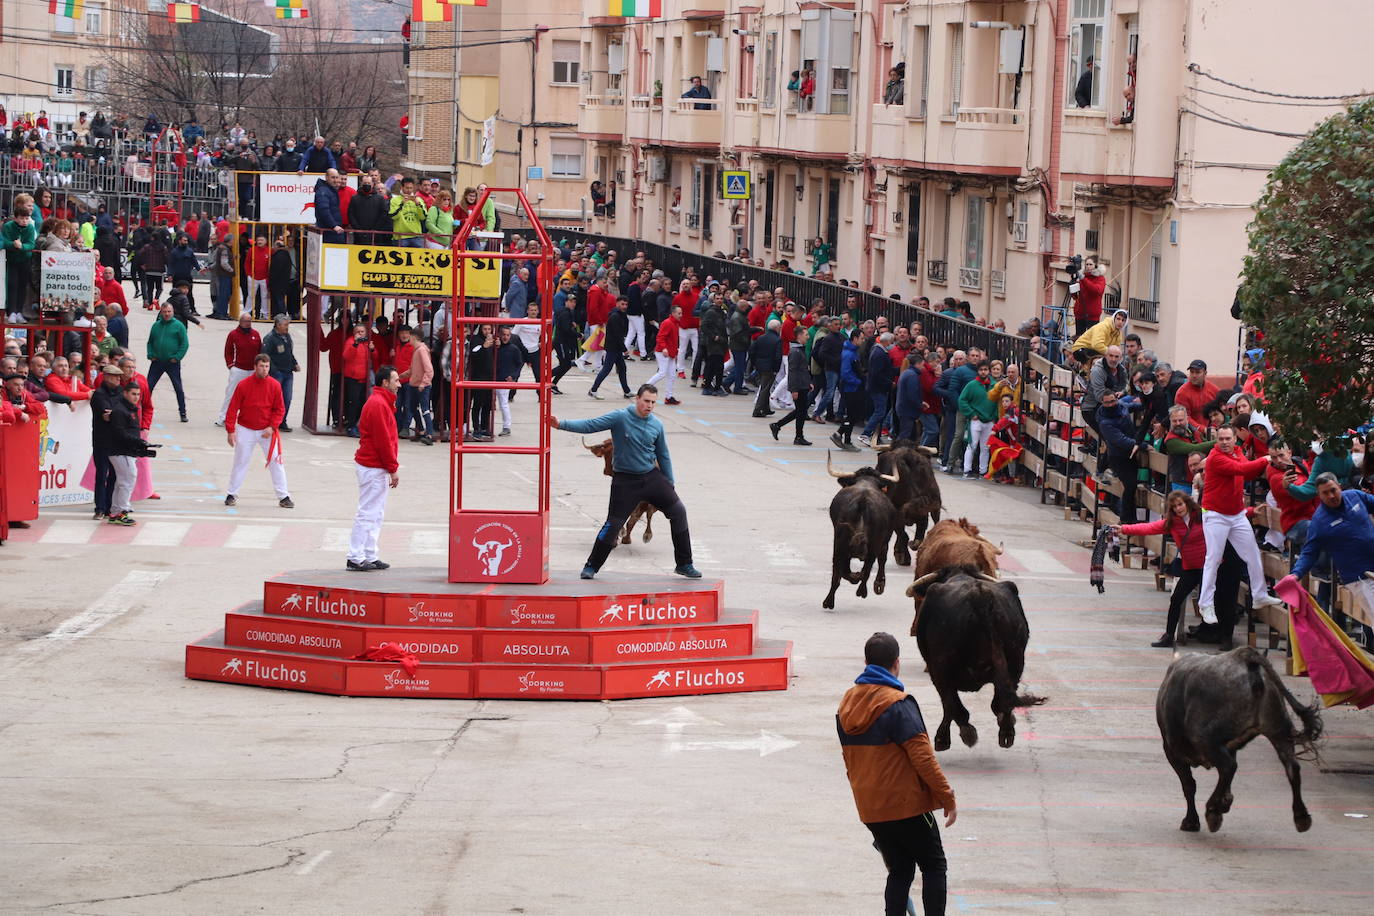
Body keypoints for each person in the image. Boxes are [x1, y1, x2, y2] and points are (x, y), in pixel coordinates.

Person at [837, 631, 956, 916]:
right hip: (907, 806)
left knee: (900, 871)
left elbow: (848, 759)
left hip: (871, 808)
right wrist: (947, 797)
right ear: (897, 663)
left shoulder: (846, 704)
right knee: (933, 864)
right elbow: (924, 758)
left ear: (866, 662)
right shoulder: (898, 704)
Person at [549, 384, 699, 580]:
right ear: (637, 399)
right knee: (613, 525)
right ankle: (592, 566)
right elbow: (591, 424)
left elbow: (663, 454)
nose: (650, 406)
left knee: (679, 511)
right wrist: (561, 424)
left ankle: (685, 564)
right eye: (646, 401)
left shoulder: (657, 425)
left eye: (653, 402)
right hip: (625, 481)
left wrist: (669, 481)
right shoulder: (620, 417)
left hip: (651, 477)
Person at [1198, 426, 1285, 625]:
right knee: (1213, 559)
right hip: (1215, 514)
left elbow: (1247, 472)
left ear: (1235, 438)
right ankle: (1206, 604)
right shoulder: (1215, 458)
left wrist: (1264, 461)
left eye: (1228, 438)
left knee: (1252, 553)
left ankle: (1260, 595)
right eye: (1221, 438)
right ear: (1216, 440)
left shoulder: (1237, 452)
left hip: (1236, 513)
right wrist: (1266, 459)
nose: (1225, 442)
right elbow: (1242, 469)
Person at [1281, 474, 1374, 645]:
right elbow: (1309, 551)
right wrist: (1296, 574)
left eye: (1333, 490)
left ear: (1339, 486)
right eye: (1325, 493)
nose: (1331, 496)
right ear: (1319, 495)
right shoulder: (1320, 521)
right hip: (1359, 578)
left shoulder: (1355, 496)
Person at [1113, 491, 1208, 647]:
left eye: (1180, 504)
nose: (1178, 508)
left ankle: (1223, 636)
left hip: (1209, 568)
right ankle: (1169, 636)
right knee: (1176, 599)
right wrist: (1124, 529)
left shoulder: (1202, 515)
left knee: (1212, 602)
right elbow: (1148, 528)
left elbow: (1226, 517)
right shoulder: (1171, 523)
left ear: (1187, 503)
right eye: (1174, 507)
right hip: (1191, 568)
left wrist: (1250, 512)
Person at [348, 365, 401, 571]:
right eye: (395, 380)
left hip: (374, 466)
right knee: (368, 512)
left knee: (375, 513)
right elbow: (383, 441)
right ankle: (355, 555)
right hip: (373, 466)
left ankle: (369, 554)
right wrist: (392, 468)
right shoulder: (379, 404)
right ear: (384, 383)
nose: (399, 384)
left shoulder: (381, 402)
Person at [223, 354, 293, 509]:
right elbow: (233, 408)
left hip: (266, 430)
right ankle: (231, 494)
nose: (264, 369)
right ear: (255, 367)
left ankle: (284, 496)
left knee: (276, 461)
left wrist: (272, 426)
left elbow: (280, 409)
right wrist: (230, 430)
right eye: (261, 366)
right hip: (245, 429)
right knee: (240, 461)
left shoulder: (274, 385)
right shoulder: (243, 385)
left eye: (267, 366)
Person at [107, 381, 156, 526]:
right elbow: (119, 433)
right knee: (127, 480)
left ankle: (115, 512)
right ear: (125, 393)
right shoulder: (120, 410)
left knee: (122, 482)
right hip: (121, 451)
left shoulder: (130, 409)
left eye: (138, 395)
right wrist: (139, 441)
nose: (136, 397)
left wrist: (139, 444)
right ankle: (122, 511)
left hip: (126, 451)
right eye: (133, 394)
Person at [769, 325, 813, 445]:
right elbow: (792, 372)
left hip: (802, 385)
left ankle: (778, 425)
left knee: (800, 411)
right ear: (799, 336)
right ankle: (798, 436)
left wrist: (808, 382)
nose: (808, 337)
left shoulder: (800, 349)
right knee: (801, 412)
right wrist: (794, 389)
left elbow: (803, 369)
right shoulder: (795, 351)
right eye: (806, 335)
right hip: (798, 386)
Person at [146, 302, 190, 422]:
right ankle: (142, 409)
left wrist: (177, 357)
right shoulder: (156, 325)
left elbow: (184, 344)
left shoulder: (179, 326)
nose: (166, 314)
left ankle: (183, 412)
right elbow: (150, 342)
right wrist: (150, 355)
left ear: (173, 312)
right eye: (164, 312)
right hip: (157, 361)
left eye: (169, 312)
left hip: (172, 363)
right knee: (148, 386)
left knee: (178, 388)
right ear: (161, 312)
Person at [218, 312, 261, 426]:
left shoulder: (256, 334)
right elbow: (228, 351)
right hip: (238, 369)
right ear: (240, 322)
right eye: (246, 321)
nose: (248, 324)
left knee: (253, 395)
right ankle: (223, 417)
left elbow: (260, 351)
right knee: (231, 394)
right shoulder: (233, 334)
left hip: (252, 370)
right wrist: (231, 365)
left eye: (250, 321)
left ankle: (251, 418)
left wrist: (259, 367)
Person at [957, 361, 996, 478]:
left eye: (985, 369)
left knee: (985, 447)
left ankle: (983, 471)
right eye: (981, 370)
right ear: (977, 371)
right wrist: (971, 413)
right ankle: (967, 470)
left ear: (989, 371)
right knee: (972, 445)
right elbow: (962, 400)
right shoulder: (971, 385)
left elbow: (999, 402)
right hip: (976, 419)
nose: (983, 372)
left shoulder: (995, 385)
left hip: (990, 420)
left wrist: (995, 417)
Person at [260, 315, 299, 432]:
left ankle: (282, 421)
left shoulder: (287, 337)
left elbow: (289, 352)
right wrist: (274, 371)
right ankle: (270, 421)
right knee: (274, 399)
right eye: (285, 325)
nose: (287, 327)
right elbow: (265, 356)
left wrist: (294, 363)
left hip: (288, 372)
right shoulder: (270, 338)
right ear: (278, 325)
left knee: (287, 398)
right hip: (277, 374)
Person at [588, 296, 631, 400]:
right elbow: (617, 335)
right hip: (613, 347)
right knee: (607, 369)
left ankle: (626, 391)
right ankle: (593, 390)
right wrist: (624, 349)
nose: (624, 306)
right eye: (622, 304)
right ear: (617, 304)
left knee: (622, 368)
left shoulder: (621, 315)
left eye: (626, 304)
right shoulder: (615, 316)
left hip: (615, 347)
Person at [645, 304, 682, 405]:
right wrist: (664, 348)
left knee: (672, 375)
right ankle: (644, 388)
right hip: (663, 352)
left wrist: (674, 351)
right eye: (679, 313)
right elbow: (660, 337)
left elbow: (673, 339)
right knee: (662, 373)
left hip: (670, 353)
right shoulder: (668, 323)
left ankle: (668, 397)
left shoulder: (675, 323)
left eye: (681, 313)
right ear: (673, 313)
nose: (681, 315)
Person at [749, 319, 783, 418]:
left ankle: (765, 408)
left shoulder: (761, 338)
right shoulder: (777, 340)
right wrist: (776, 369)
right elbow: (777, 357)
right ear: (777, 328)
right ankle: (757, 409)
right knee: (765, 388)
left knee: (766, 387)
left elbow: (752, 351)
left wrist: (755, 363)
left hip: (760, 366)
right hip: (770, 367)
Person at [1174, 359, 1221, 426]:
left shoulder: (1214, 390)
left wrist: (1213, 428)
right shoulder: (1182, 393)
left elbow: (1221, 412)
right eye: (1192, 372)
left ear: (1205, 373)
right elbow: (1184, 417)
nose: (1194, 375)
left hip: (1213, 430)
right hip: (1190, 432)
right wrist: (1202, 429)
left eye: (1197, 372)